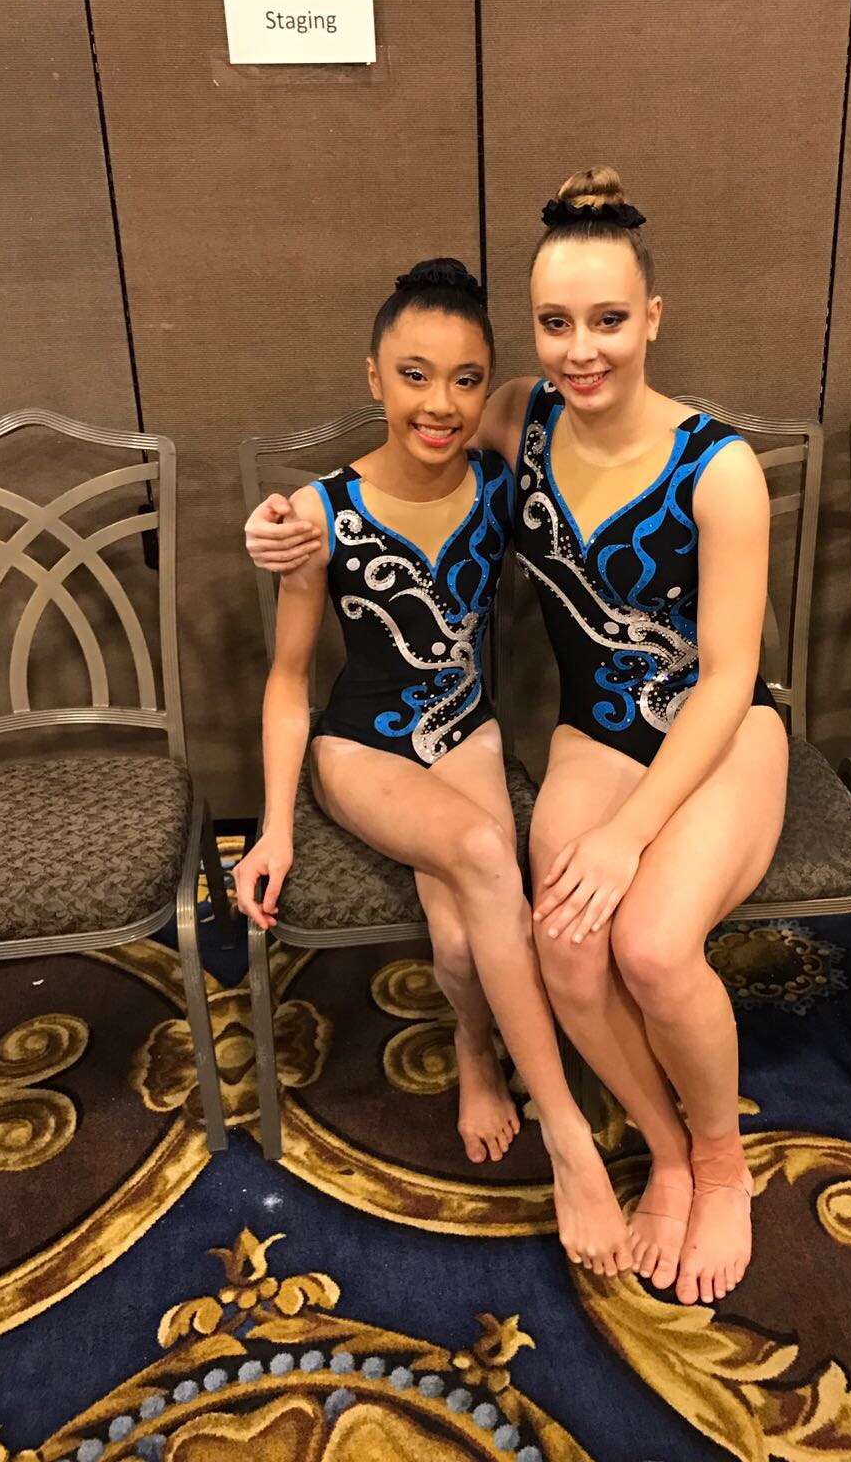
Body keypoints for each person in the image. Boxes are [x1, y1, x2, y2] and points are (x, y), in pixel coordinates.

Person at [244, 175, 787, 1307]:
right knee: (567, 944)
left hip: (722, 732)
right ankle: (664, 1150)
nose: (581, 351)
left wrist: (630, 837)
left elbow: (730, 676)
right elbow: (411, 450)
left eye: (607, 319)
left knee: (649, 944)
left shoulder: (720, 467)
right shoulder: (519, 419)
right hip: (597, 733)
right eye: (555, 323)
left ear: (652, 317)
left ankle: (721, 1163)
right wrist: (283, 523)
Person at [232, 257, 634, 1275]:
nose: (440, 405)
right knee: (490, 857)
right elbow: (287, 681)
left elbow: (591, 412)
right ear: (374, 376)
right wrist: (272, 828)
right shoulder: (322, 513)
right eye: (414, 376)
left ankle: (471, 1046)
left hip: (468, 731)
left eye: (465, 379)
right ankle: (567, 1135)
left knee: (462, 940)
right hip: (362, 748)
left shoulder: (501, 484)